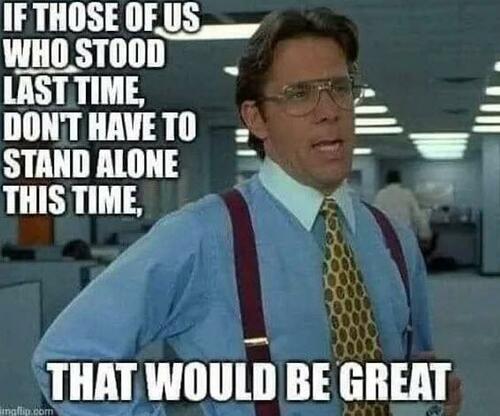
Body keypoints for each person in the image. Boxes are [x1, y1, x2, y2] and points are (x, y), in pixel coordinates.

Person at [33, 8, 461, 416]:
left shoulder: (393, 239)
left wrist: (429, 400)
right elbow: (68, 361)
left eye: (340, 88)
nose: (330, 110)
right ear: (256, 119)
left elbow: (412, 374)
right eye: (300, 94)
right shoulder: (201, 236)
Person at [374, 170, 432, 243]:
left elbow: (375, 218)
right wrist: (425, 234)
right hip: (406, 237)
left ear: (386, 180)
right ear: (400, 180)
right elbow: (418, 216)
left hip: (388, 238)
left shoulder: (380, 195)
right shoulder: (407, 194)